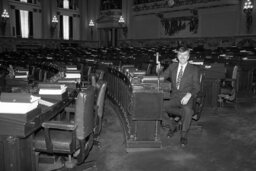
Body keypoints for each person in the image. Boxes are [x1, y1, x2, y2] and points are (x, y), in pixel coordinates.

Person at [156, 45, 200, 147]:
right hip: (175, 97)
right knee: (159, 106)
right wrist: (159, 70)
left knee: (188, 111)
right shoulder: (173, 66)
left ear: (188, 57)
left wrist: (189, 95)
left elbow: (197, 87)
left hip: (186, 97)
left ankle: (184, 134)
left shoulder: (194, 69)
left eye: (185, 55)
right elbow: (162, 77)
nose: (182, 57)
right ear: (177, 56)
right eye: (180, 55)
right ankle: (172, 126)